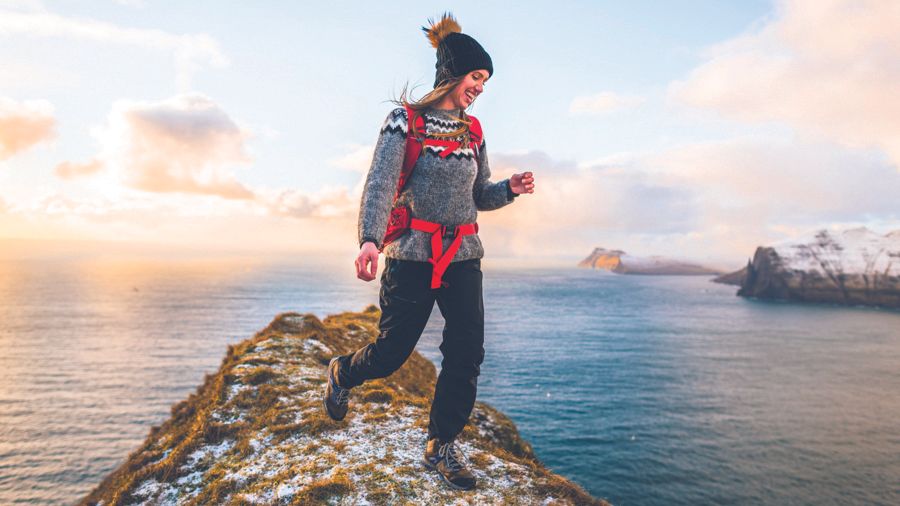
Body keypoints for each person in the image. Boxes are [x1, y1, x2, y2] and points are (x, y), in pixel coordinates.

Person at [323, 12, 535, 491]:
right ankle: (342, 372)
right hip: (411, 257)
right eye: (476, 77)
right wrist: (369, 241)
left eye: (485, 81)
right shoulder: (405, 121)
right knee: (391, 354)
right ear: (452, 73)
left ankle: (441, 446)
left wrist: (510, 189)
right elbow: (379, 185)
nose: (480, 88)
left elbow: (479, 196)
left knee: (466, 353)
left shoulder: (473, 132)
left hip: (463, 256)